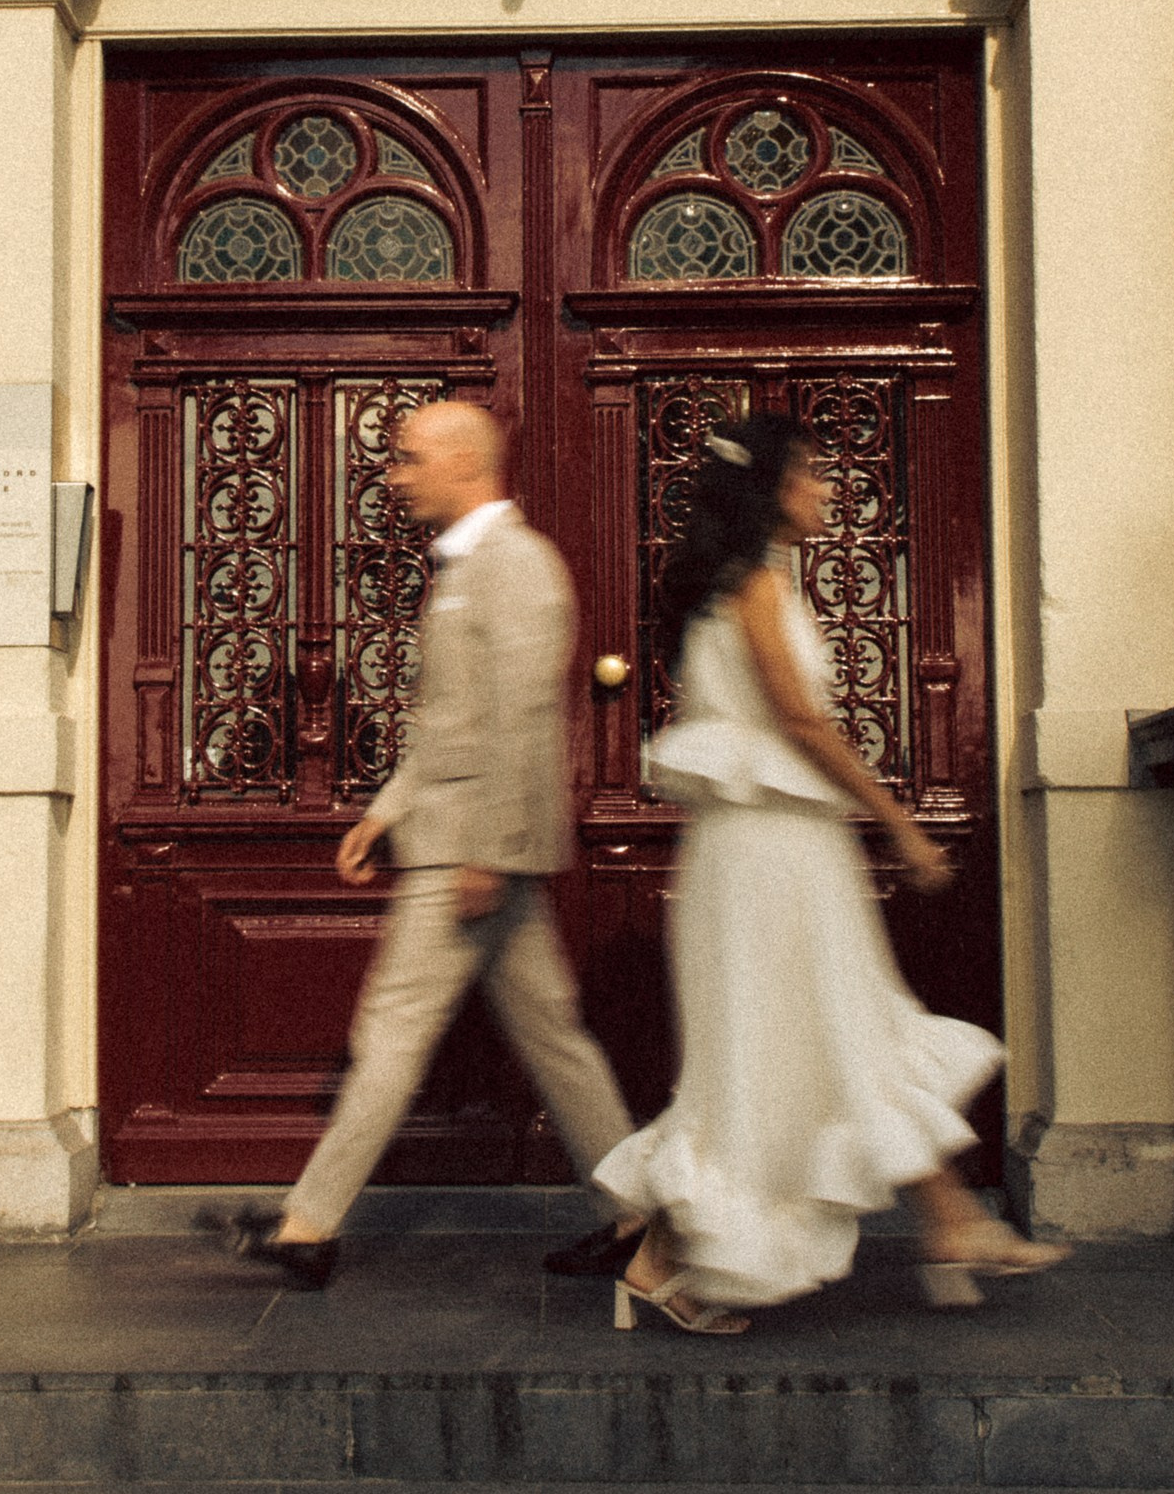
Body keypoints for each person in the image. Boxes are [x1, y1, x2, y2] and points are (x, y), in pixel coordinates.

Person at [593, 413, 1064, 1335]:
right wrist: (897, 824)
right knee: (810, 1042)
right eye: (808, 475)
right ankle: (676, 1253)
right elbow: (801, 724)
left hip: (773, 848)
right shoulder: (757, 587)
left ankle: (946, 1223)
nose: (823, 490)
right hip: (767, 853)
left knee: (825, 1037)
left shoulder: (744, 586)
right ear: (769, 489)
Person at [230, 399, 637, 1289]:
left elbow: (527, 718)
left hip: (469, 850)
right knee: (554, 1037)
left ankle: (308, 1224)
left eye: (411, 458)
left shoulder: (516, 565)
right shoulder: (472, 565)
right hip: (463, 837)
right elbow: (454, 721)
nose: (397, 473)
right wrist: (386, 810)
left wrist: (488, 850)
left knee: (394, 1030)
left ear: (465, 464)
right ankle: (636, 1213)